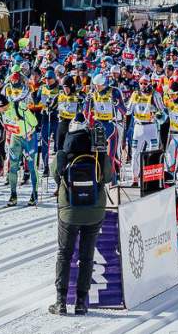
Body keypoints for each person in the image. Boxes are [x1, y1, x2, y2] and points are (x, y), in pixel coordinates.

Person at [49, 112, 113, 316]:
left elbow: (55, 175)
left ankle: (60, 301)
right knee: (86, 257)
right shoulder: (97, 152)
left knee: (64, 254)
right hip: (94, 210)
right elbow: (110, 176)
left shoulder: (63, 153)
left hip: (69, 210)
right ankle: (81, 302)